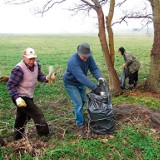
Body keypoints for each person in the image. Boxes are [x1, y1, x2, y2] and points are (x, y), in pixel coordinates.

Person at [7, 48, 55, 140]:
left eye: (33, 59)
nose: (32, 61)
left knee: (23, 117)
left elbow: (39, 76)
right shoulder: (19, 69)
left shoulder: (36, 65)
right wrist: (17, 98)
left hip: (28, 95)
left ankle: (17, 137)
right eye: (30, 59)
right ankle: (44, 135)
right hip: (20, 96)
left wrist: (47, 78)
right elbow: (10, 85)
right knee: (37, 114)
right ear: (24, 57)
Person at [63, 42, 104, 131]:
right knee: (78, 104)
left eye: (87, 56)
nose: (85, 58)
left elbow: (94, 69)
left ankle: (76, 112)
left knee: (84, 101)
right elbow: (80, 76)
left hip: (80, 83)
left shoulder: (89, 58)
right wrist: (94, 88)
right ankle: (80, 123)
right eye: (83, 56)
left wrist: (100, 78)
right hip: (71, 83)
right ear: (79, 53)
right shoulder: (72, 61)